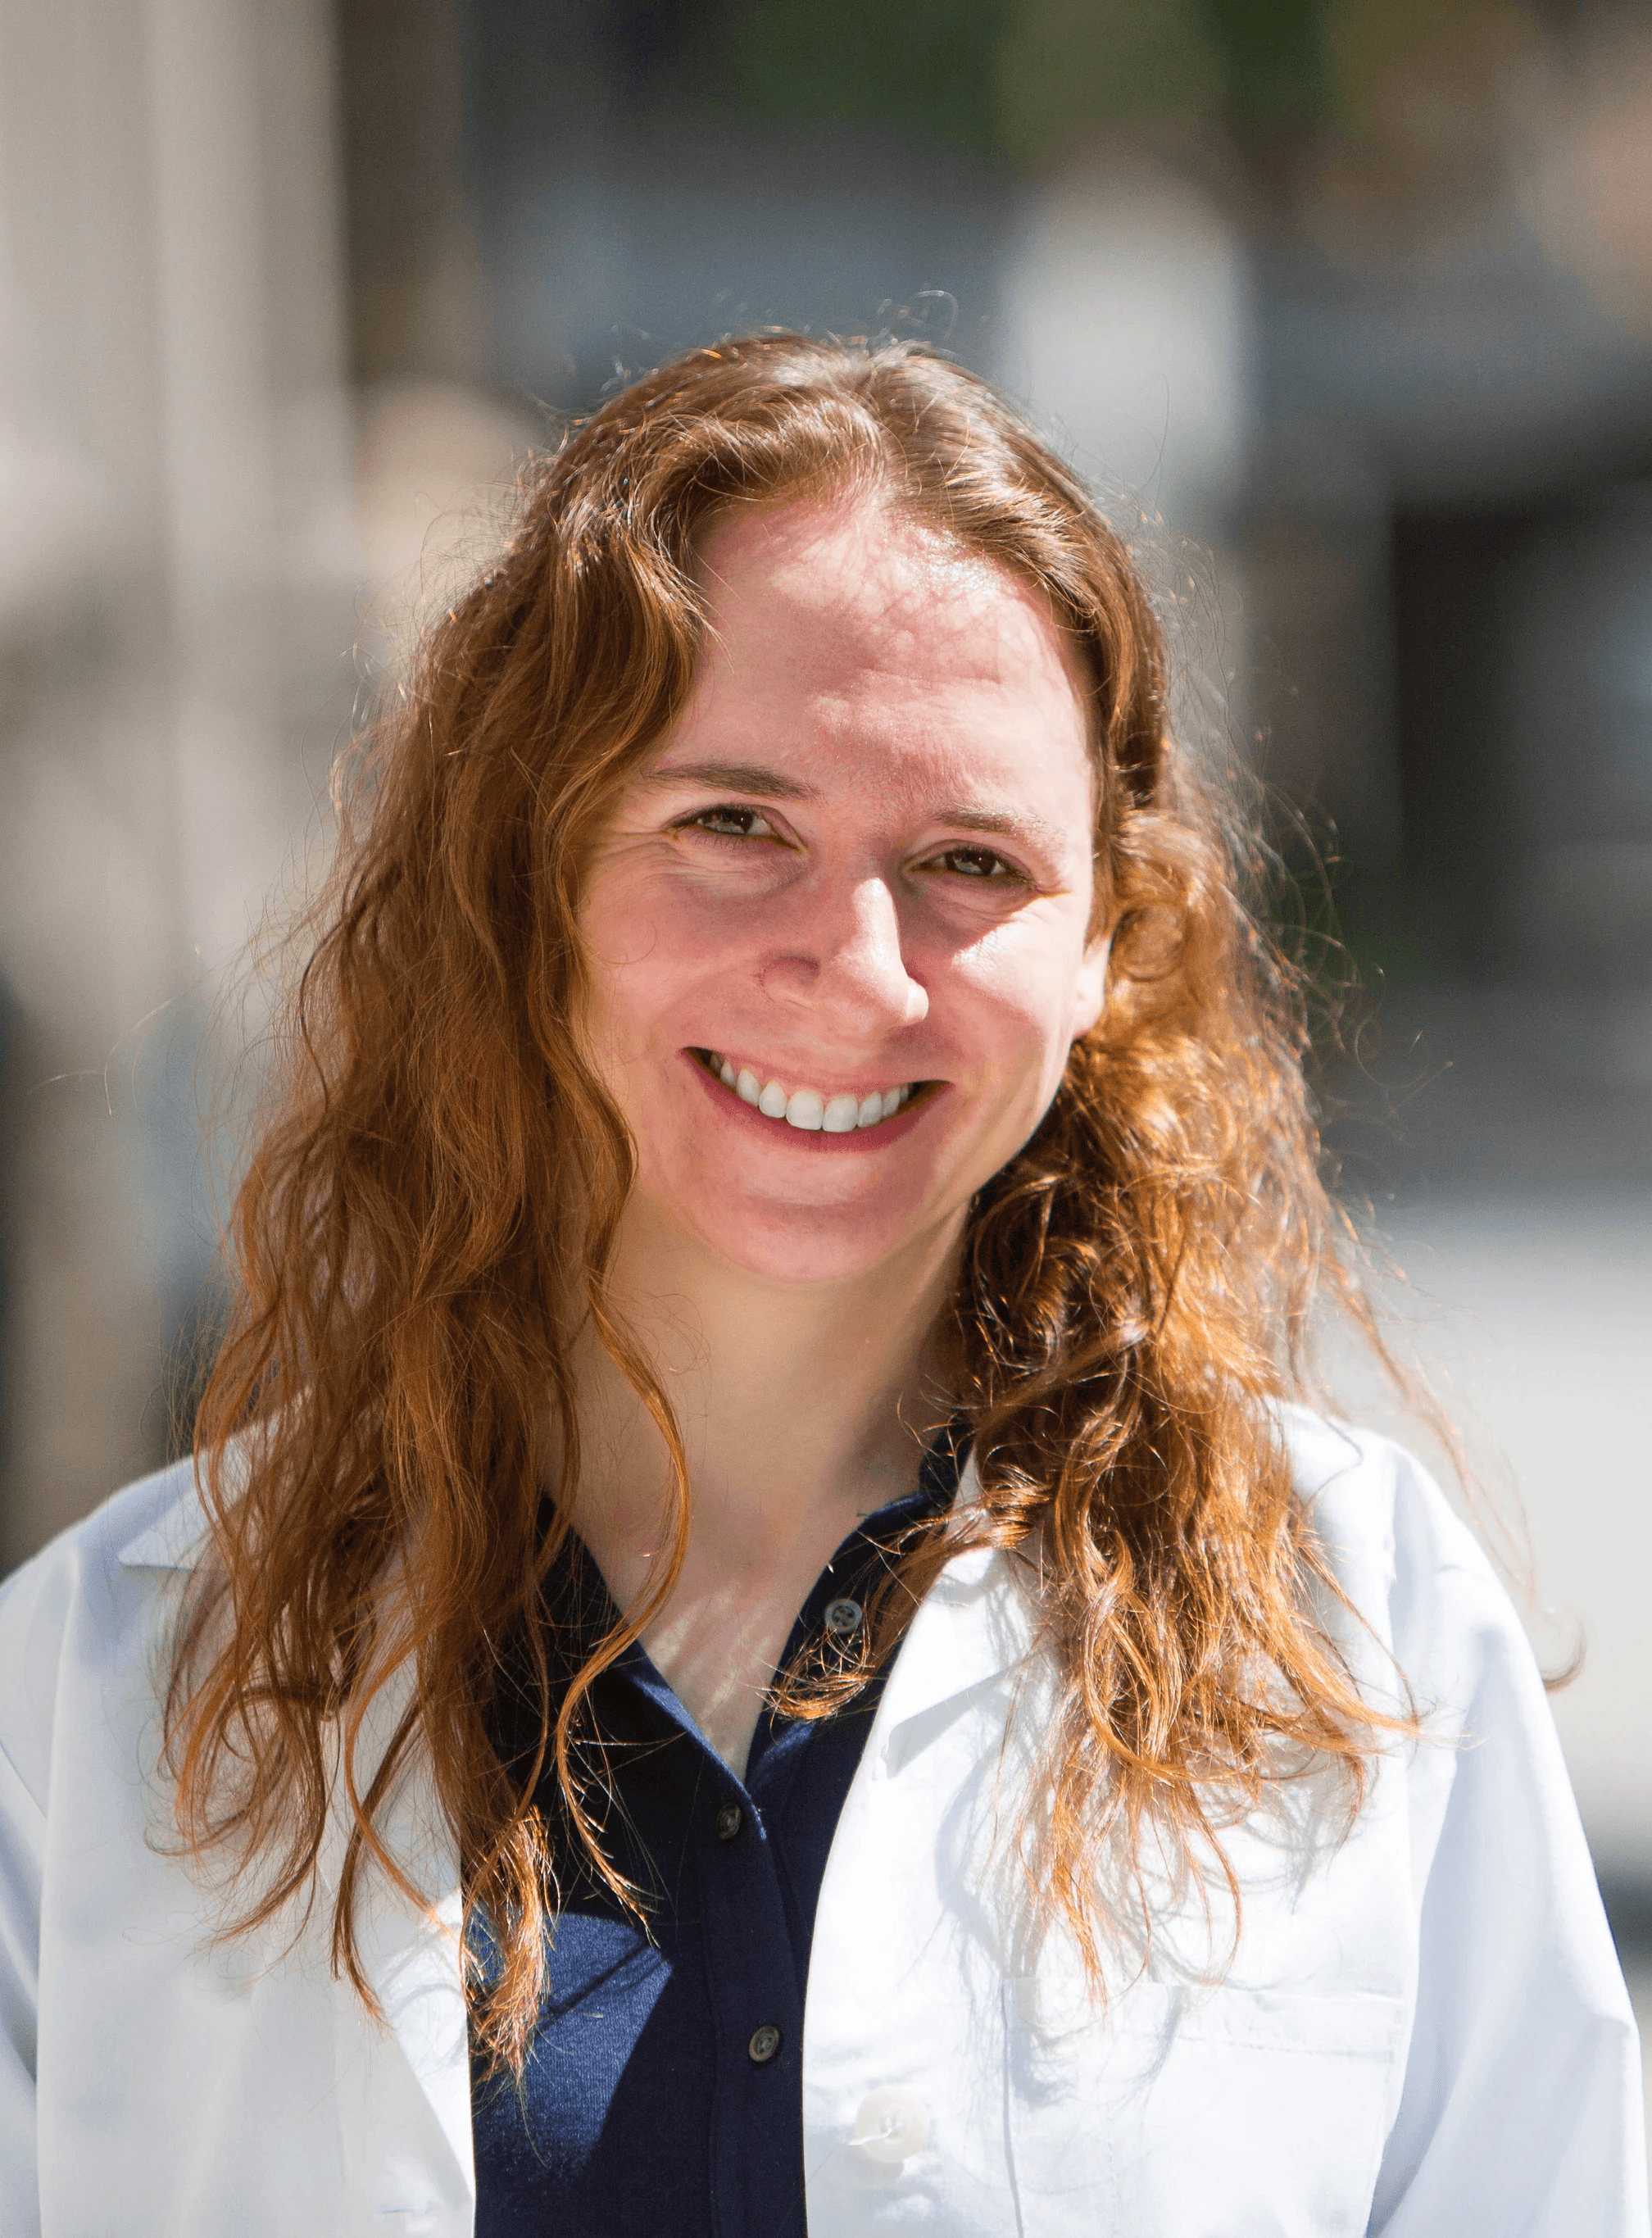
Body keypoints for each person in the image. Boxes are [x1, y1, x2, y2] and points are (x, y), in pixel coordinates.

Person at [0, 334, 1644, 2238]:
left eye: (969, 860)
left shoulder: (1360, 1637)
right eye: (735, 824)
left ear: (1111, 939)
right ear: (529, 872)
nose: (856, 968)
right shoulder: (95, 1696)